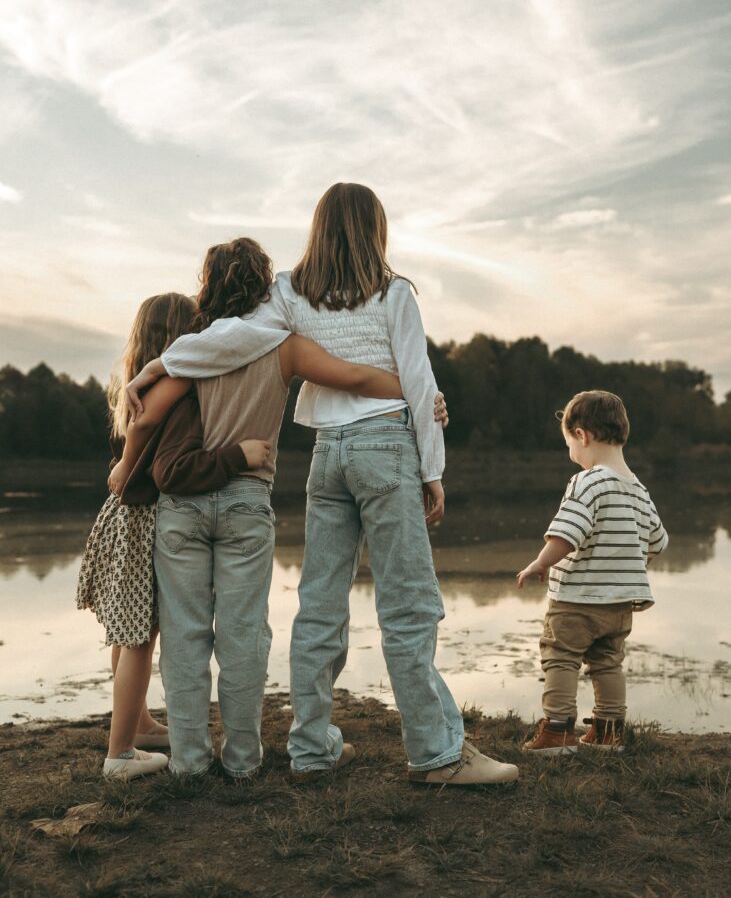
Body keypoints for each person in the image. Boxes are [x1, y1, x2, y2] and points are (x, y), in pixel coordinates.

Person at [126, 184, 519, 786]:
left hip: (326, 457)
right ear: (376, 231)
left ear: (317, 229)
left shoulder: (288, 291)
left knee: (319, 607)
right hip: (386, 448)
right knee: (408, 605)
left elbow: (232, 338)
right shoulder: (395, 295)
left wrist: (162, 363)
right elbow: (416, 377)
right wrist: (432, 470)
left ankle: (312, 747)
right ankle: (438, 755)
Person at [117, 236, 413, 778]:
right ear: (265, 285)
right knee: (244, 635)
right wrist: (417, 391)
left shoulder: (196, 347)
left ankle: (187, 763)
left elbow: (146, 416)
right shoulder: (285, 345)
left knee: (183, 635)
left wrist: (127, 451)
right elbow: (356, 377)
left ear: (208, 285)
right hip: (246, 504)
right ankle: (243, 761)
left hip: (181, 510)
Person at [77, 292, 271, 780]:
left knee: (127, 633)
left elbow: (138, 443)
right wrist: (235, 455)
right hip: (144, 519)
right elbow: (172, 468)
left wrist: (121, 463)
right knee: (141, 638)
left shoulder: (136, 389)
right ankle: (120, 753)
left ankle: (137, 723)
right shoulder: (178, 390)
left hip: (122, 516)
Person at [516, 390, 669, 755]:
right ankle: (608, 732)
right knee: (607, 662)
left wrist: (540, 562)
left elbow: (566, 534)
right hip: (620, 606)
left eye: (569, 442)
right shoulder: (639, 491)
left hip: (577, 598)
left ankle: (557, 732)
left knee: (560, 657)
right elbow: (659, 542)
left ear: (582, 435)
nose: (571, 451)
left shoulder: (588, 481)